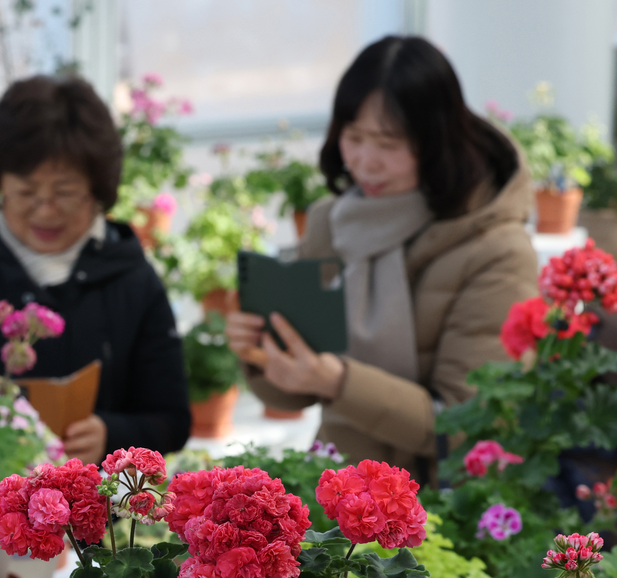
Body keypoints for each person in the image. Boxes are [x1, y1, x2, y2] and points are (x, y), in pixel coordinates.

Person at [225, 35, 537, 480]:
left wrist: (338, 382)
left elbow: (472, 427)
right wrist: (263, 351)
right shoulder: (331, 221)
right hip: (339, 496)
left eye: (389, 144)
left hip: (446, 506)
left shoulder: (497, 251)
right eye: (354, 137)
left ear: (437, 142)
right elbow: (294, 393)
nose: (365, 162)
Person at [0, 75, 191, 463]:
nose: (46, 210)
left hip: (97, 515)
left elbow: (172, 419)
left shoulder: (130, 278)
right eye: (27, 192)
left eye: (65, 192)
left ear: (98, 188)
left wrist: (113, 435)